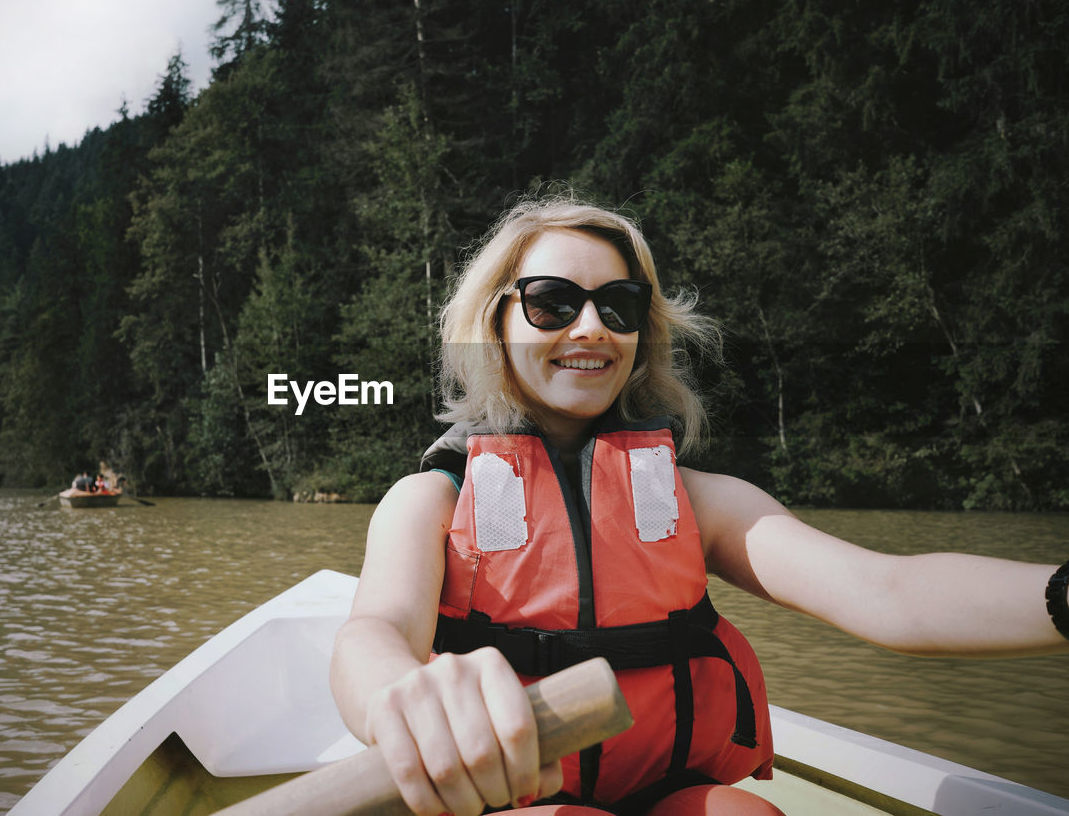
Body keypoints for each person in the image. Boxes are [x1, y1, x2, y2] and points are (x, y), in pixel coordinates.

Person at [328, 196, 1068, 816]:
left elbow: (889, 593)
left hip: (666, 784)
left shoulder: (697, 500)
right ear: (496, 323)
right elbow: (373, 635)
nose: (589, 327)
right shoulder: (430, 500)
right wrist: (406, 698)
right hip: (515, 795)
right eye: (552, 302)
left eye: (618, 306)